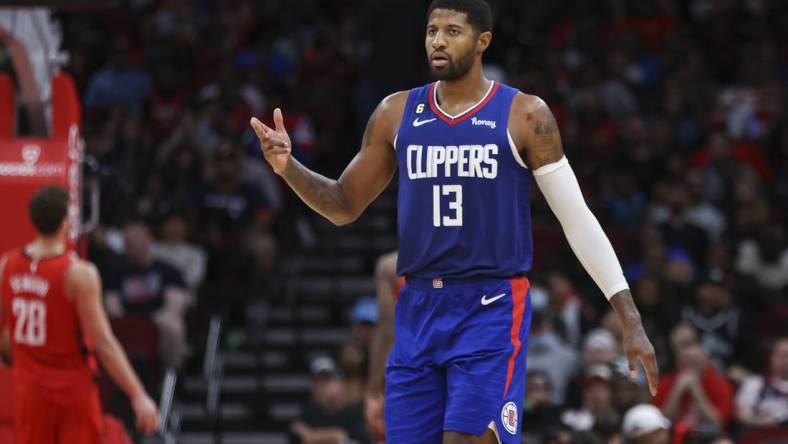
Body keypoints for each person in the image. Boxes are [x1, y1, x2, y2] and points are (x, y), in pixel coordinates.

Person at [251, 1, 658, 442]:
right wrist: (287, 168)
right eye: (431, 31)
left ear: (482, 41)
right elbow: (343, 205)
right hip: (420, 306)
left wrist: (629, 316)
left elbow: (577, 220)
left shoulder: (525, 115)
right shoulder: (395, 113)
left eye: (452, 31)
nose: (438, 41)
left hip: (490, 305)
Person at [0, 185, 159, 444]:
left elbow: (6, 336)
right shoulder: (77, 273)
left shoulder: (7, 264)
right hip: (70, 390)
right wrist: (138, 395)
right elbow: (104, 343)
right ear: (67, 220)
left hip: (29, 390)